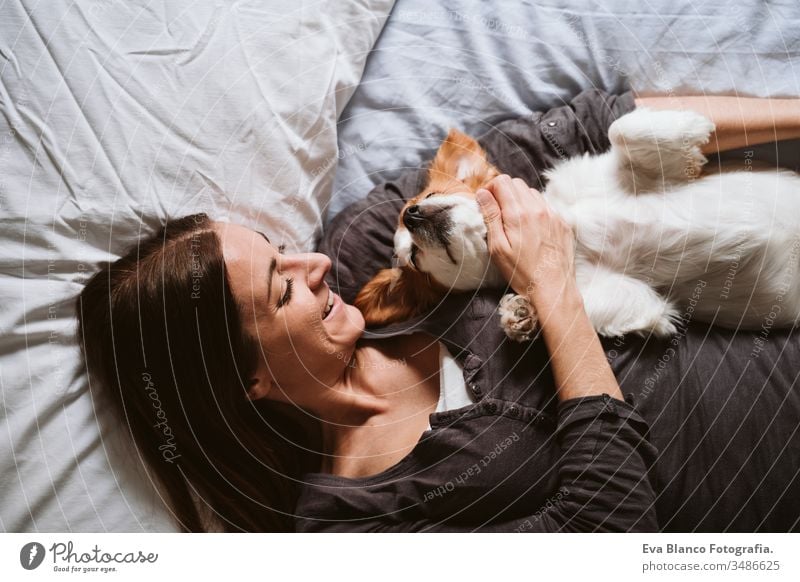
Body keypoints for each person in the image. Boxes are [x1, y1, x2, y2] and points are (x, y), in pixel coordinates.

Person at [76, 89, 800, 532]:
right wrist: (551, 292)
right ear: (249, 381)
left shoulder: (369, 254)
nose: (315, 264)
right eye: (281, 287)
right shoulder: (354, 527)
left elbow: (585, 129)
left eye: (278, 248)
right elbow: (606, 532)